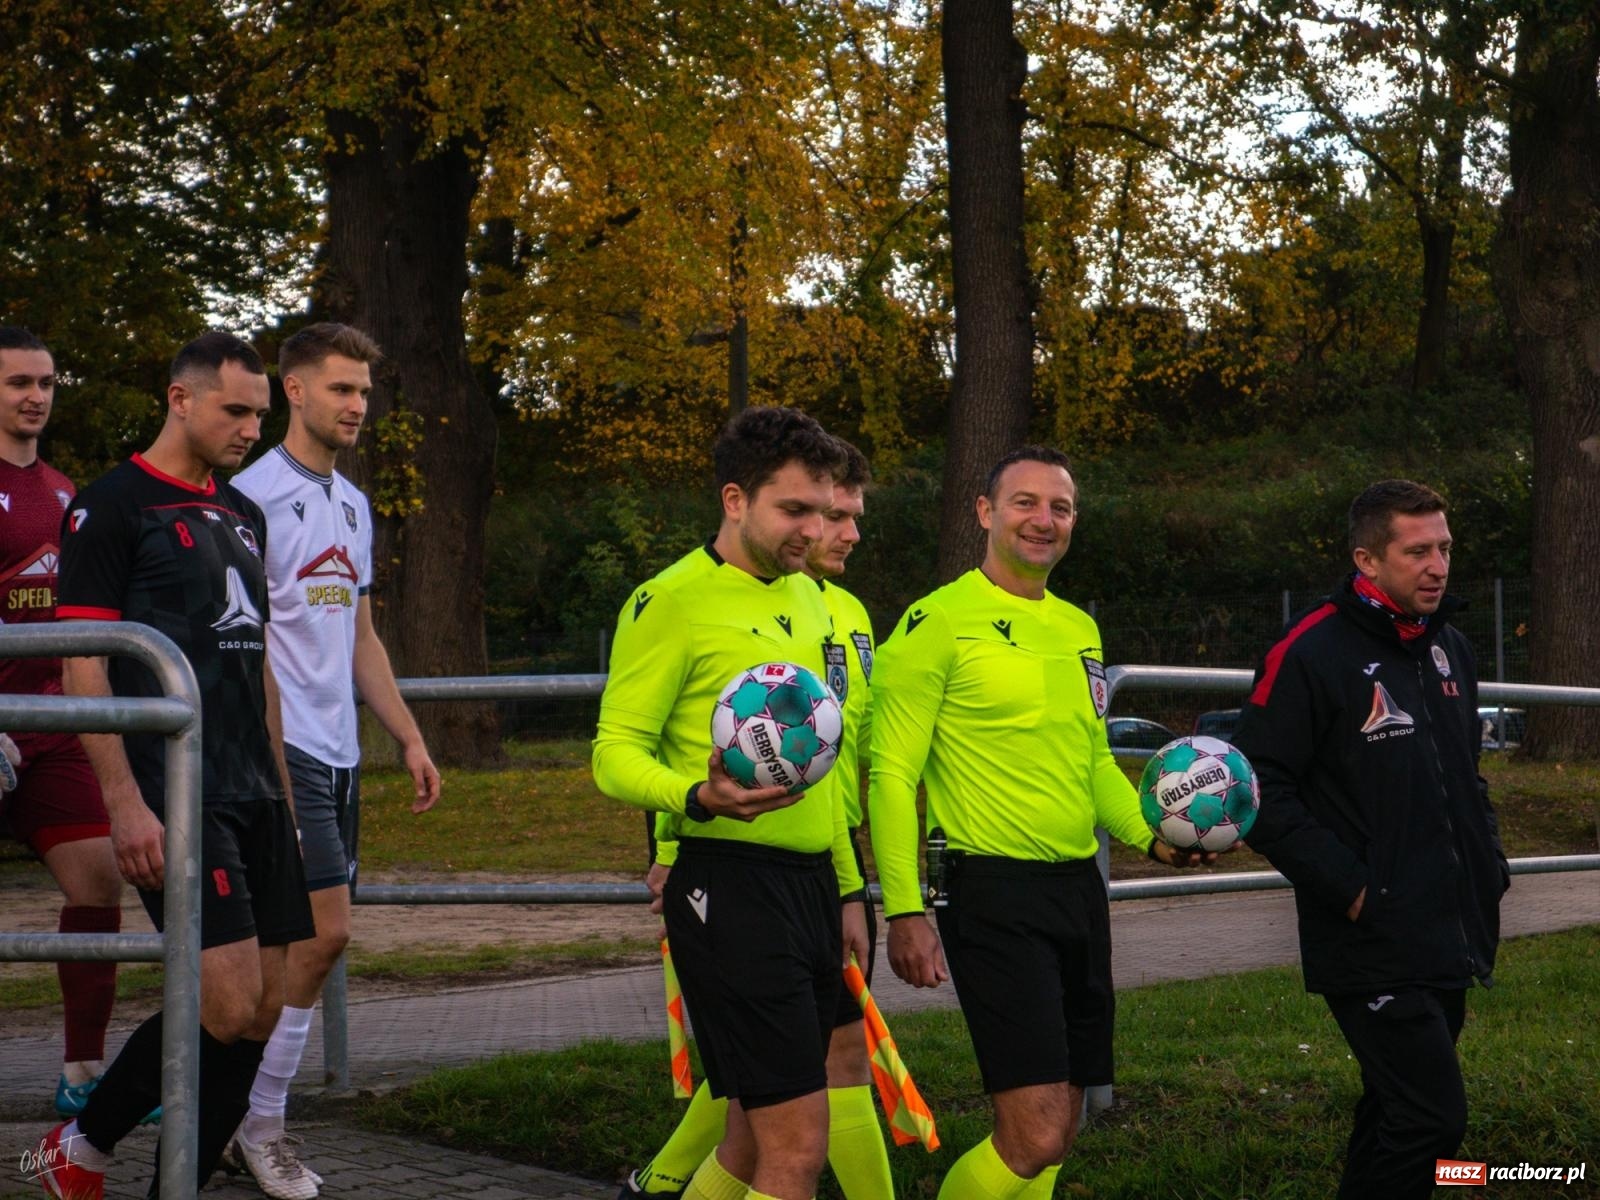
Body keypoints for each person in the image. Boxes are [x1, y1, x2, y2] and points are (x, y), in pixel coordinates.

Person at [867, 446, 1210, 1200]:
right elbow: (890, 775)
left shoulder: (1078, 628)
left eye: (1059, 507)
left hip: (1076, 891)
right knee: (1035, 1131)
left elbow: (1091, 764)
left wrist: (1151, 834)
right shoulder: (937, 622)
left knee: (1061, 1133)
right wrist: (904, 909)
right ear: (985, 513)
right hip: (992, 893)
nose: (1042, 520)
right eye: (1024, 502)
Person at [35, 332, 316, 1200]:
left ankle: (144, 1174)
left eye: (260, 414)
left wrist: (285, 790)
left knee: (266, 1009)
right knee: (226, 1004)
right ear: (180, 398)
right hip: (174, 790)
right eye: (235, 410)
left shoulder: (243, 512)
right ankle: (89, 1145)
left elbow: (256, 658)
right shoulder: (110, 506)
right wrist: (122, 803)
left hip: (254, 787)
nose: (250, 428)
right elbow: (84, 662)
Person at [593, 406, 870, 1200]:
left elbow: (830, 766)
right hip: (730, 887)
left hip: (812, 885)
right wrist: (694, 797)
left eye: (822, 511)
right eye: (794, 510)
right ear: (735, 499)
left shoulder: (814, 599)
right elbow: (612, 753)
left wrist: (846, 884)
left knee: (748, 1143)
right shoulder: (671, 600)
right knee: (796, 1150)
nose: (812, 529)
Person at [1232, 479, 1507, 1200]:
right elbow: (1257, 787)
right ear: (1367, 560)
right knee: (1432, 1119)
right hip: (1370, 937)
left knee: (1395, 1111)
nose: (1438, 565)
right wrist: (1351, 887)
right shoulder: (1309, 651)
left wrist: (1490, 867)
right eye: (1417, 551)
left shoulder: (1449, 648)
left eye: (1444, 547)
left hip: (1447, 929)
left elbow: (1465, 780)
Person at [225, 323, 441, 1199]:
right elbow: (247, 641)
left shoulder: (351, 504)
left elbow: (359, 633)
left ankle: (224, 1114)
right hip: (283, 752)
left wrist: (409, 734)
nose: (358, 405)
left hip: (343, 752)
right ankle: (259, 1122)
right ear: (296, 391)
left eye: (365, 391)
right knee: (326, 935)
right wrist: (272, 757)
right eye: (342, 389)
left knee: (293, 959)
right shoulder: (248, 497)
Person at [0, 328, 129, 1118]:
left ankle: (82, 1074)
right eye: (18, 381)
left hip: (56, 726)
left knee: (101, 877)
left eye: (46, 381)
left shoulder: (63, 490)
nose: (35, 395)